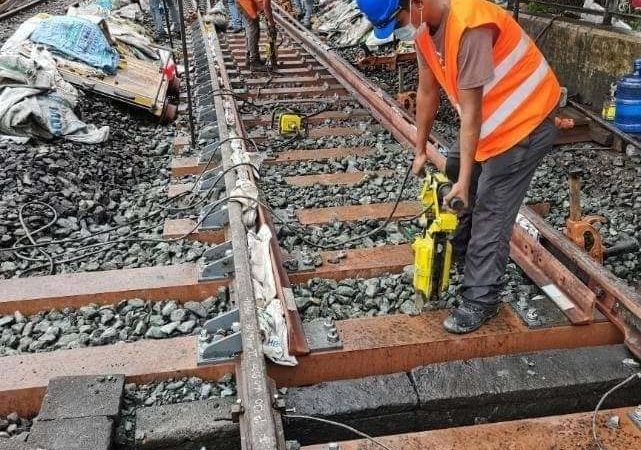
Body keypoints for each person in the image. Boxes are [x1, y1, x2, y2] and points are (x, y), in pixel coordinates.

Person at [356, 0, 561, 334]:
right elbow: (426, 91)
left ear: (417, 2)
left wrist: (466, 183)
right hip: (493, 120)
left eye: (402, 18)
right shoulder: (424, 31)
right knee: (454, 165)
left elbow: (471, 114)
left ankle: (481, 299)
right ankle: (463, 252)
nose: (404, 26)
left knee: (490, 208)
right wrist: (420, 150)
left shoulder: (469, 27)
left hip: (527, 119)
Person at [237, 0, 276, 71]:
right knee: (254, 30)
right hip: (246, 3)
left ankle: (249, 58)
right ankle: (254, 62)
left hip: (242, 2)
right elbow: (267, 8)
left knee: (250, 29)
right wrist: (272, 25)